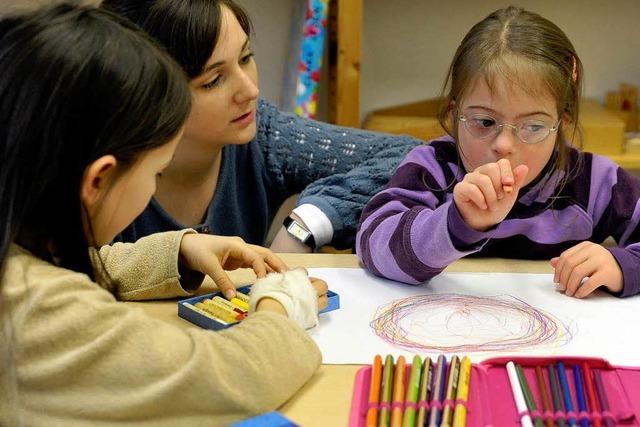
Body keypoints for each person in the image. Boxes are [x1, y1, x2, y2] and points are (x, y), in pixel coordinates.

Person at [0, 4, 328, 425]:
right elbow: (225, 380)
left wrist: (177, 249)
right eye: (156, 171)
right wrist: (280, 308)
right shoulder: (34, 311)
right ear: (98, 180)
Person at [356, 6, 640, 299]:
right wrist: (458, 223)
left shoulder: (595, 183)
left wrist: (622, 266)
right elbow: (370, 243)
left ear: (562, 123)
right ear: (455, 115)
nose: (504, 145)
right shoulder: (434, 168)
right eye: (485, 122)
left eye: (533, 126)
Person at [100, 0, 420, 253]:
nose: (250, 91)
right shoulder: (99, 173)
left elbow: (413, 159)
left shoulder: (265, 136)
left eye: (245, 58)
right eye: (214, 80)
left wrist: (309, 222)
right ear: (148, 95)